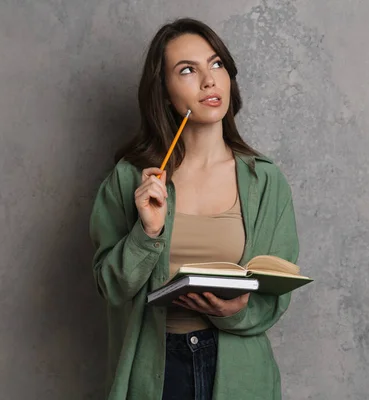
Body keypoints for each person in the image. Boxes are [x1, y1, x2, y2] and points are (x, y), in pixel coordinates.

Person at [89, 17, 300, 400]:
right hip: (157, 371)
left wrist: (235, 310)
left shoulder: (266, 181)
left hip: (239, 373)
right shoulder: (130, 180)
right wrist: (146, 232)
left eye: (216, 64)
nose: (209, 80)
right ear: (165, 92)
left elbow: (275, 295)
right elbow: (110, 288)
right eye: (188, 70)